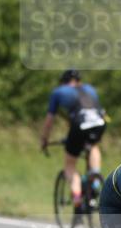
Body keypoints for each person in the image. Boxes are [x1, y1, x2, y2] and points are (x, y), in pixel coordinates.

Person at [39, 69, 107, 209]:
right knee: (93, 146)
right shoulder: (90, 89)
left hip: (79, 125)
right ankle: (95, 179)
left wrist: (44, 139)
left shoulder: (58, 92)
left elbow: (49, 121)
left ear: (63, 82)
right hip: (100, 122)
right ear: (79, 81)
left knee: (70, 164)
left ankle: (76, 197)